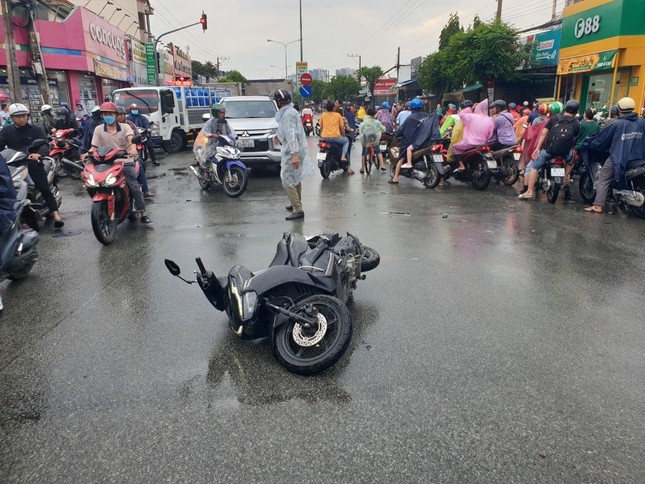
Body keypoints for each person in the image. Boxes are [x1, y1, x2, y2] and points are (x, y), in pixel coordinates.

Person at [0, 103, 65, 227]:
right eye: (18, 116)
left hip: (33, 162)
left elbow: (44, 144)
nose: (22, 119)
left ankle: (56, 214)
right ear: (12, 117)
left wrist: (38, 154)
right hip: (14, 164)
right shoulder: (7, 130)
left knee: (44, 187)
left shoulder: (35, 129)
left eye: (24, 116)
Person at [89, 102, 152, 226]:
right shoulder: (98, 129)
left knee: (134, 186)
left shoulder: (125, 127)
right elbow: (94, 146)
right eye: (105, 114)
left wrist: (133, 149)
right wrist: (88, 153)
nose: (108, 116)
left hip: (125, 161)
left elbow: (131, 139)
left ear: (116, 115)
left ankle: (143, 212)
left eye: (110, 114)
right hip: (106, 163)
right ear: (102, 115)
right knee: (93, 183)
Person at [584, 97, 645, 214]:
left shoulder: (616, 123)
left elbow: (602, 140)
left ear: (618, 109)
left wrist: (591, 144)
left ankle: (597, 205)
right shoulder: (641, 122)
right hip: (639, 158)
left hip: (619, 157)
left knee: (603, 178)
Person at [519, 100, 580, 199]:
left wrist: (538, 148)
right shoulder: (577, 123)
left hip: (549, 150)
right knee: (572, 159)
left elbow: (543, 134)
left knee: (534, 168)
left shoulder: (553, 119)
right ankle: (565, 176)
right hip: (565, 153)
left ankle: (529, 191)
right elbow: (574, 139)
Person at [272, 89, 311, 220]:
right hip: (297, 149)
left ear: (279, 102)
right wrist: (279, 136)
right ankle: (296, 203)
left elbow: (292, 134)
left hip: (293, 150)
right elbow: (287, 130)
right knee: (295, 178)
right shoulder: (291, 111)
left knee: (286, 179)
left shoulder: (288, 114)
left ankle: (298, 209)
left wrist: (294, 154)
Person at [389, 98, 438, 184]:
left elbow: (401, 130)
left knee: (401, 158)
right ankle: (440, 181)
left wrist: (396, 134)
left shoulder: (410, 118)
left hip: (412, 142)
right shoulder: (427, 116)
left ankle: (395, 177)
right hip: (426, 142)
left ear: (411, 108)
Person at [117, 107, 154, 199]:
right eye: (117, 115)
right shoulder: (107, 127)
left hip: (128, 153)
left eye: (121, 115)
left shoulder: (129, 124)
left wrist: (133, 148)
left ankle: (145, 191)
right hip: (112, 155)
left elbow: (136, 135)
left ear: (124, 115)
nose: (119, 117)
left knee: (140, 165)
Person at [448, 99, 494, 171]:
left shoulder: (469, 117)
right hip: (483, 142)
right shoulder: (488, 118)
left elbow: (460, 115)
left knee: (455, 148)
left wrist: (470, 109)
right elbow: (490, 133)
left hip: (470, 142)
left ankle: (461, 165)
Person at [201, 103, 235, 168]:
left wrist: (233, 137)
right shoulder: (210, 122)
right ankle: (206, 170)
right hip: (212, 143)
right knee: (209, 156)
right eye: (220, 112)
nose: (222, 114)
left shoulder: (224, 122)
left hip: (223, 142)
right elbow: (204, 131)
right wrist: (212, 135)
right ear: (215, 113)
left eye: (223, 112)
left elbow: (230, 132)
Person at [358, 107, 386, 174]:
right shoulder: (377, 122)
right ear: (374, 114)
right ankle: (382, 165)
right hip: (374, 139)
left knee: (364, 153)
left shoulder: (364, 122)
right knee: (378, 151)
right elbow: (383, 129)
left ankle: (362, 168)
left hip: (366, 140)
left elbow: (360, 131)